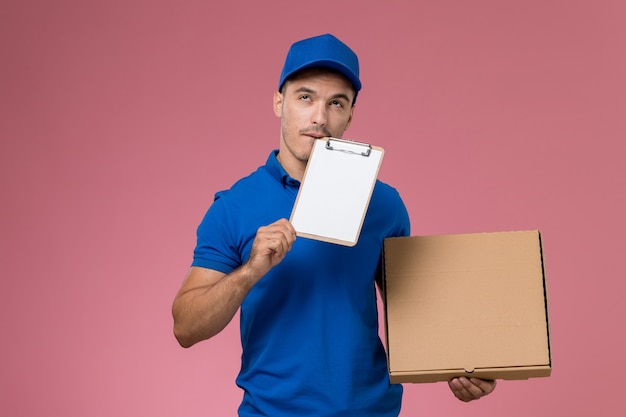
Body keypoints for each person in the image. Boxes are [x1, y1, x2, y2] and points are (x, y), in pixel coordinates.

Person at [172, 33, 496, 416]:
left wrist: (463, 366)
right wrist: (250, 270)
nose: (319, 118)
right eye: (305, 97)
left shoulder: (385, 204)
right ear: (280, 102)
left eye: (336, 103)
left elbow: (416, 314)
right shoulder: (234, 206)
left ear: (350, 114)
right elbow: (186, 327)